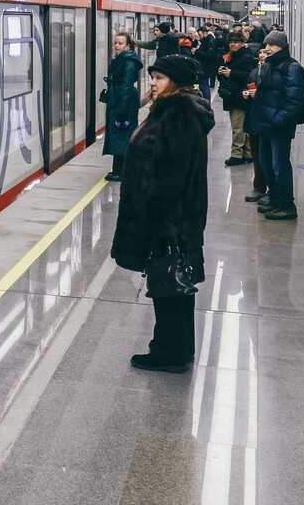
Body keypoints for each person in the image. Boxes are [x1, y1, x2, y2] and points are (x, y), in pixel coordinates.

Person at [111, 54, 214, 372]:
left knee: (167, 284)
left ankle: (168, 353)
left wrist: (159, 225)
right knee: (177, 284)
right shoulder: (178, 110)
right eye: (153, 76)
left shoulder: (177, 115)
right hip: (177, 218)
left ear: (177, 82)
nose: (152, 83)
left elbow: (171, 176)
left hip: (167, 220)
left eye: (159, 78)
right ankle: (179, 348)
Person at [248, 31, 304, 220]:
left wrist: (278, 120)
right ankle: (274, 199)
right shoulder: (269, 65)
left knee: (280, 165)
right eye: (266, 45)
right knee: (266, 164)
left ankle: (287, 205)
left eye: (272, 45)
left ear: (282, 46)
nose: (267, 48)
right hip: (265, 125)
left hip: (278, 126)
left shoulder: (291, 67)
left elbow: (294, 101)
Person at [102, 32, 143, 181]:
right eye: (115, 43)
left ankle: (121, 172)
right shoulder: (122, 59)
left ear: (128, 45)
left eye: (120, 43)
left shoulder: (129, 62)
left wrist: (122, 110)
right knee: (119, 135)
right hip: (118, 100)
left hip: (123, 103)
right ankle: (118, 169)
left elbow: (126, 85)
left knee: (122, 135)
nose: (116, 46)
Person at [216, 30, 255, 165]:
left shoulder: (246, 57)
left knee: (238, 126)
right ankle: (248, 153)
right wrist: (221, 72)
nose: (232, 45)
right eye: (231, 42)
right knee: (241, 126)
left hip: (240, 96)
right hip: (232, 95)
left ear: (242, 43)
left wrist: (231, 73)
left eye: (235, 42)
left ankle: (236, 154)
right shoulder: (230, 56)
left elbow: (249, 75)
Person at [240, 45, 274, 204]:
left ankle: (272, 190)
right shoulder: (254, 71)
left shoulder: (275, 72)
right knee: (257, 156)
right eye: (260, 52)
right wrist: (245, 93)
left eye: (266, 53)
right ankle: (259, 187)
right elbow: (246, 85)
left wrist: (259, 95)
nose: (262, 55)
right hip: (254, 117)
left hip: (268, 119)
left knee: (269, 157)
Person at [193, 26, 221, 101]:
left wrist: (197, 51)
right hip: (205, 67)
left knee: (204, 86)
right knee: (203, 86)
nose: (199, 37)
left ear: (205, 33)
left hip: (206, 68)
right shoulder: (206, 41)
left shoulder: (209, 42)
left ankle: (207, 103)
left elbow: (209, 56)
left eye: (200, 35)